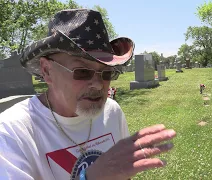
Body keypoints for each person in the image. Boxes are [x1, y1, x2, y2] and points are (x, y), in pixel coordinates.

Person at [0, 9, 176, 180]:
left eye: (107, 73)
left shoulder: (111, 112)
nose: (98, 84)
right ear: (47, 71)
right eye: (82, 72)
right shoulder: (11, 132)